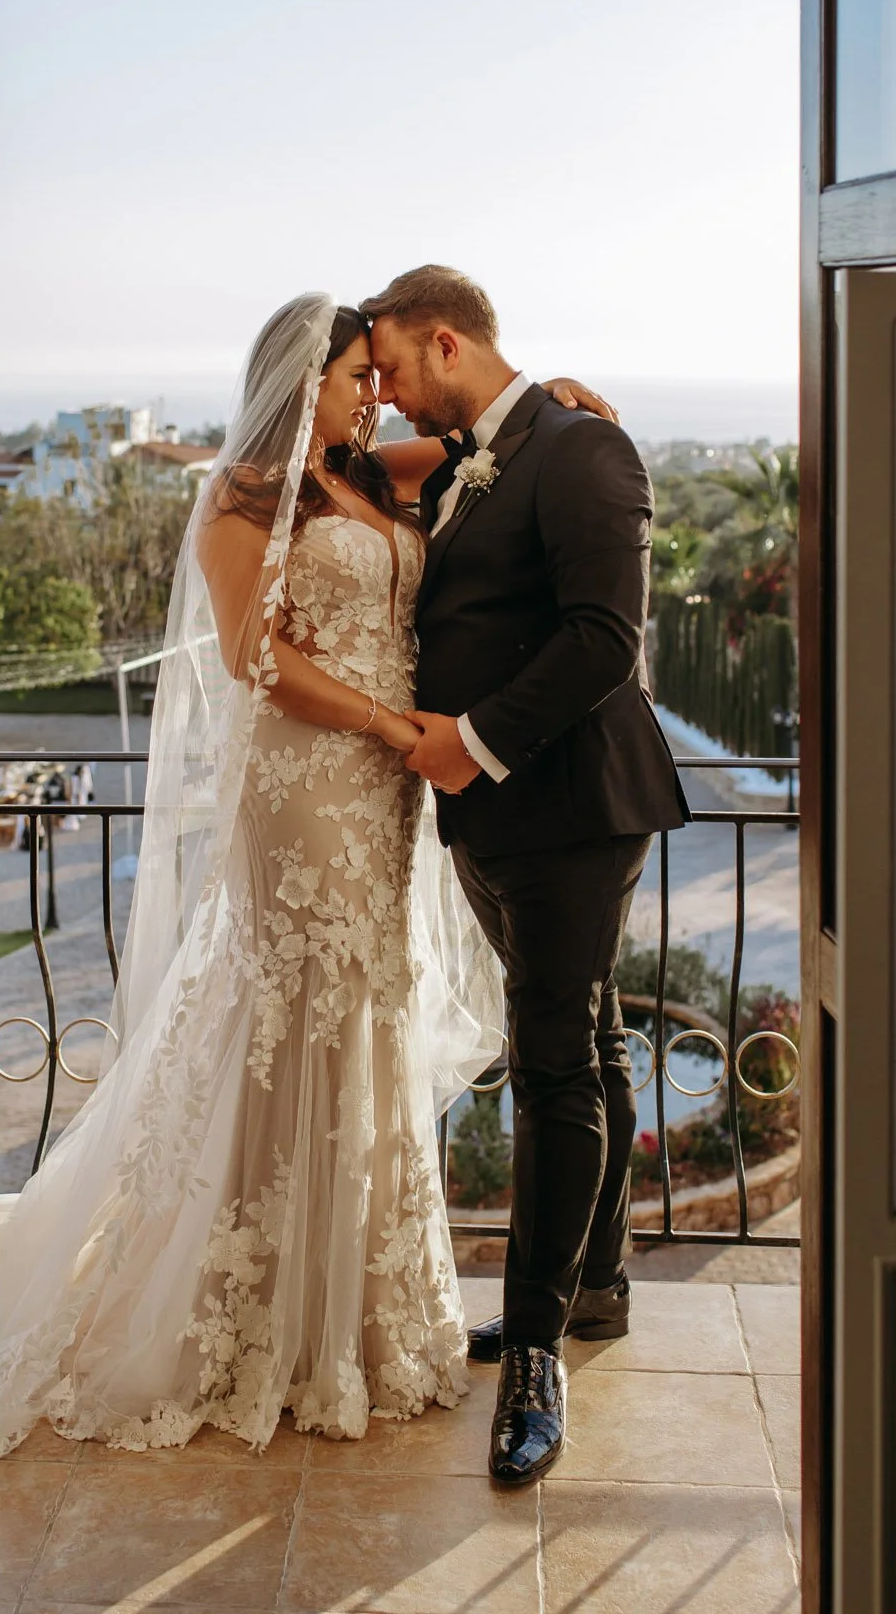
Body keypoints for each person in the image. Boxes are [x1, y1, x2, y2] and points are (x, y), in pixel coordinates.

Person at [0, 294, 611, 1508]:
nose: (371, 394)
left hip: (383, 799)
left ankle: (358, 1312)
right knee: (293, 1015)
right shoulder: (244, 498)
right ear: (296, 377)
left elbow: (491, 441)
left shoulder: (372, 468)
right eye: (353, 376)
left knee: (367, 1008)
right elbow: (251, 658)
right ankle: (262, 1315)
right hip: (312, 784)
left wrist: (563, 399)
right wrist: (389, 723)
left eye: (377, 378)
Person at [361, 265, 689, 1484]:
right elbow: (349, 475)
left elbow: (606, 634)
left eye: (392, 368)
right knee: (589, 1039)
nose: (384, 397)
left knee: (550, 1057)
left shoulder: (579, 447)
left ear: (444, 341)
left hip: (566, 805)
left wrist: (474, 739)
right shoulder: (462, 455)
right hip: (493, 818)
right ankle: (594, 1287)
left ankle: (538, 1350)